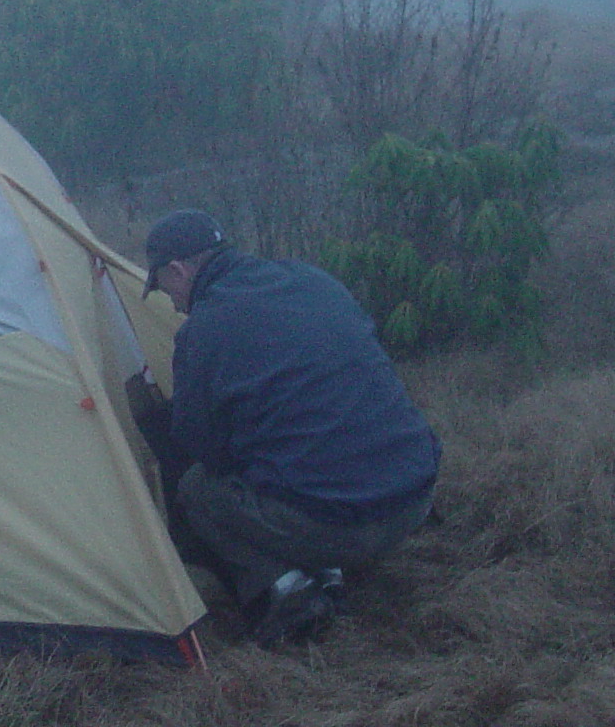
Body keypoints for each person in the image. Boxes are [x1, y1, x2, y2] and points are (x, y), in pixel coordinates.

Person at [138, 209, 441, 648]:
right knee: (307, 455)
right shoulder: (312, 279)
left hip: (347, 527)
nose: (172, 302)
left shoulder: (202, 330)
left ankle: (290, 589)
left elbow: (201, 446)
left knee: (199, 490)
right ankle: (329, 564)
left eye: (165, 289)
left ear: (177, 270)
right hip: (415, 496)